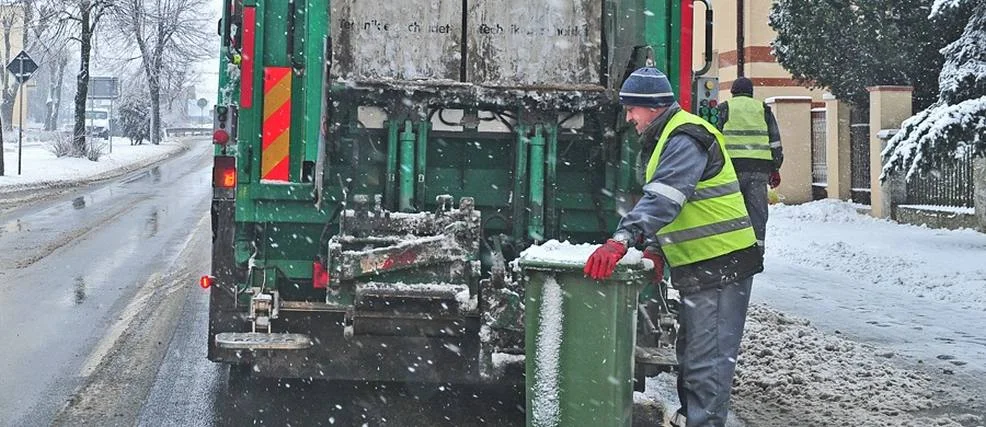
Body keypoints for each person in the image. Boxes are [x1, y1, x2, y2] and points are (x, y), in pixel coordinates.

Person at [583, 67, 763, 427]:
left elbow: (665, 200)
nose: (629, 116)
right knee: (694, 360)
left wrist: (621, 240)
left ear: (653, 106)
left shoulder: (684, 138)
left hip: (721, 265)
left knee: (707, 366)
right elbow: (683, 208)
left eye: (633, 108)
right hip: (706, 267)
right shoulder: (669, 136)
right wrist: (655, 249)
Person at [716, 77, 784, 249]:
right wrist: (775, 168)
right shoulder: (763, 110)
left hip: (731, 170)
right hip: (760, 170)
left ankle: (732, 249)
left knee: (731, 210)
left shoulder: (724, 108)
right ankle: (757, 250)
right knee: (757, 212)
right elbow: (775, 142)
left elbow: (714, 138)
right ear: (751, 93)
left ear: (732, 92)